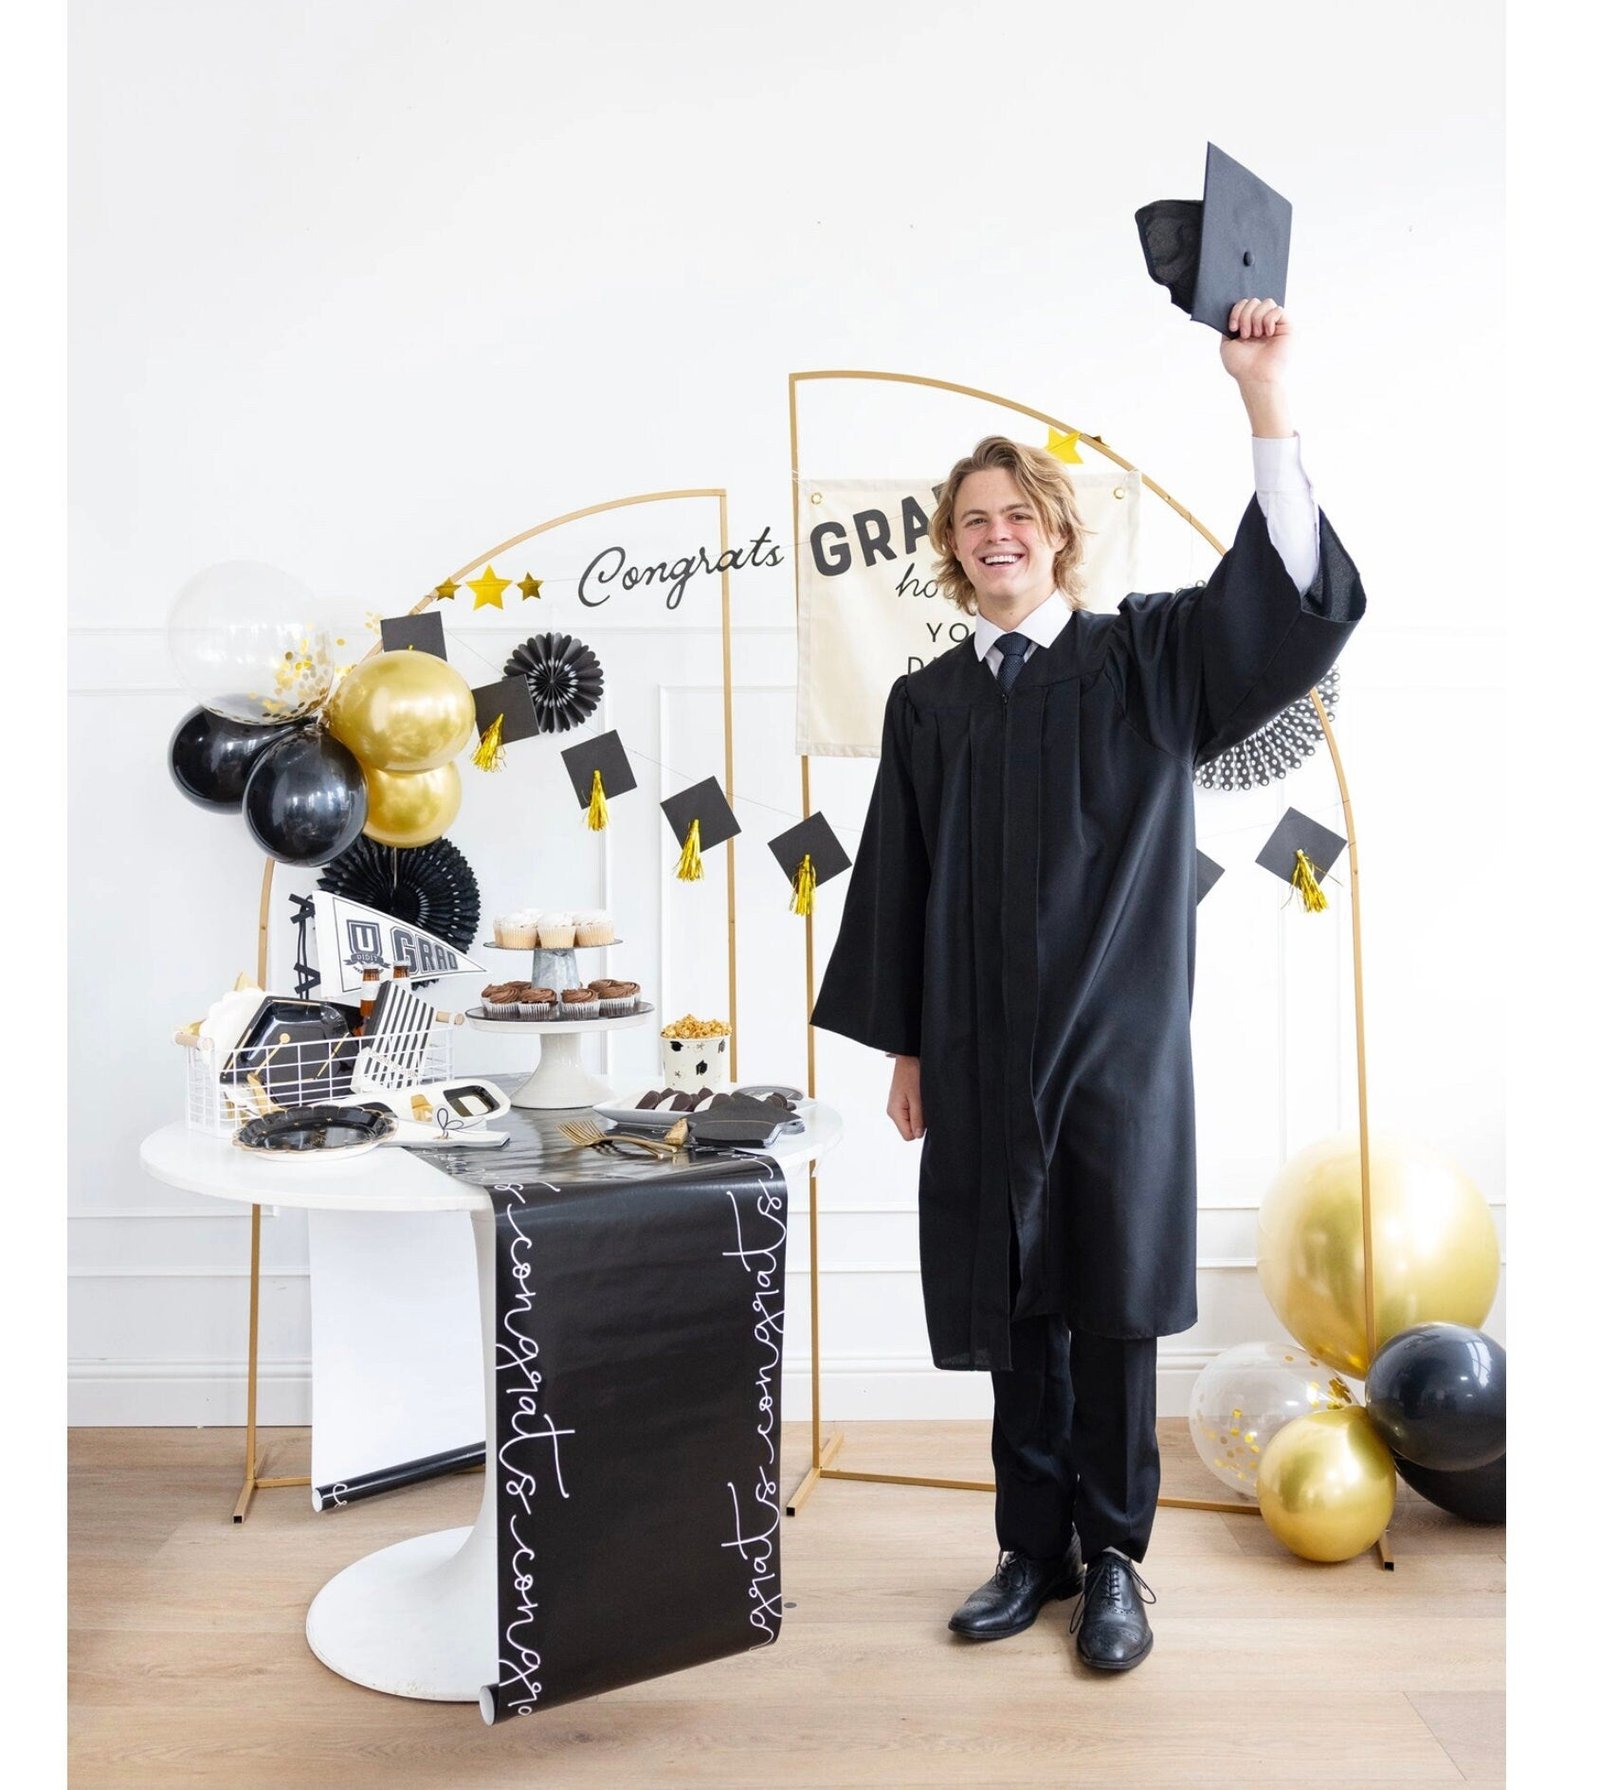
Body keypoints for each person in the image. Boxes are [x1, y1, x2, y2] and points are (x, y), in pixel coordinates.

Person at [810, 299, 1366, 1672]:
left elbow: (1286, 607)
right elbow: (901, 880)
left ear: (1058, 533)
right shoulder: (930, 705)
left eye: (1018, 514)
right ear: (951, 549)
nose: (995, 533)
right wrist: (908, 1049)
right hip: (977, 1046)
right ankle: (1029, 1549)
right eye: (972, 520)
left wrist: (1264, 396)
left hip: (1118, 1052)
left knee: (1110, 1301)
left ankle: (1115, 1558)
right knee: (1013, 1305)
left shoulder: (1147, 660)